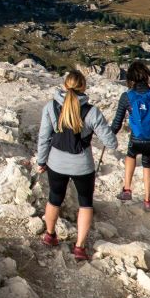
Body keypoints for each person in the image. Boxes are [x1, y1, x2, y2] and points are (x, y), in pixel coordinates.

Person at [36, 69, 118, 261]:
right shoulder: (92, 112)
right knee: (85, 203)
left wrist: (41, 160)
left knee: (54, 198)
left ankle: (50, 235)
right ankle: (79, 247)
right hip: (83, 164)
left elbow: (44, 137)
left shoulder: (51, 107)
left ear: (65, 85)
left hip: (56, 161)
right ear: (84, 87)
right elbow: (111, 143)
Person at [111, 60, 150, 211]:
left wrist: (108, 134)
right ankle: (147, 200)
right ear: (147, 76)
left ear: (130, 78)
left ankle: (127, 190)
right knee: (147, 161)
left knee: (131, 153)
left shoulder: (127, 97)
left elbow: (117, 124)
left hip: (138, 140)